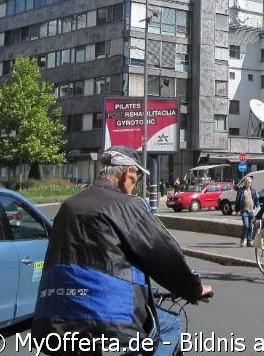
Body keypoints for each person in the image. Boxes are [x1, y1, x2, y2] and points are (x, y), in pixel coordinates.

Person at [32, 145, 212, 356]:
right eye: (136, 178)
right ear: (128, 173)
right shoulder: (125, 205)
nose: (135, 185)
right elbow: (163, 255)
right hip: (109, 318)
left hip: (53, 318)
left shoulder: (68, 206)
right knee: (170, 325)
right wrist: (193, 289)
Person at [235, 177, 259, 247]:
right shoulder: (241, 190)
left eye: (249, 182)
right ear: (244, 183)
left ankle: (249, 241)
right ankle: (243, 239)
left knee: (251, 227)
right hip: (244, 211)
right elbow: (237, 200)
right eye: (246, 182)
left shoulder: (253, 190)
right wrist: (236, 210)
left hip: (251, 211)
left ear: (251, 183)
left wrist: (257, 208)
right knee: (246, 225)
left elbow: (256, 199)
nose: (247, 183)